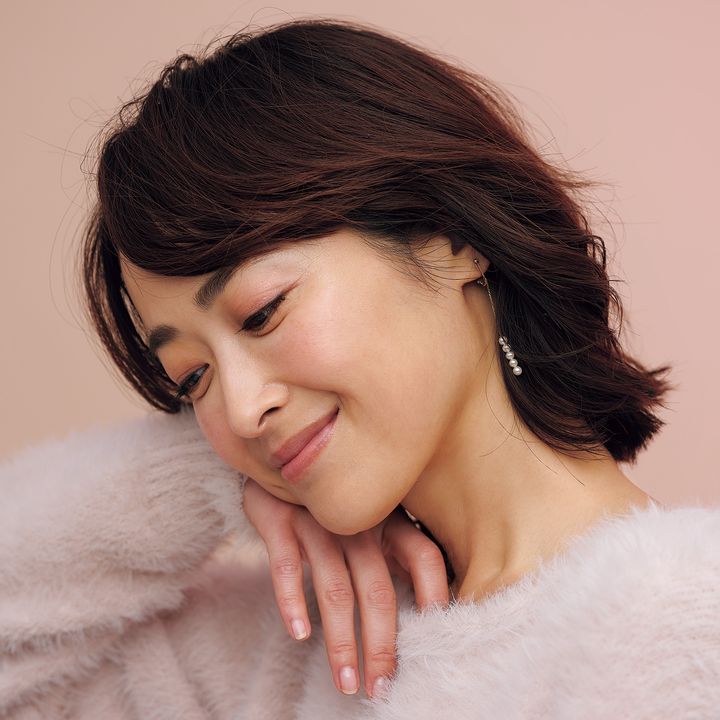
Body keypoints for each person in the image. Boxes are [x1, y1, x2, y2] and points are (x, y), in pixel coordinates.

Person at [2, 16, 718, 720]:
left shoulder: (672, 619)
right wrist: (207, 479)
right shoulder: (305, 643)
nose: (241, 411)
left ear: (449, 239)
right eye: (194, 379)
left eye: (262, 313)